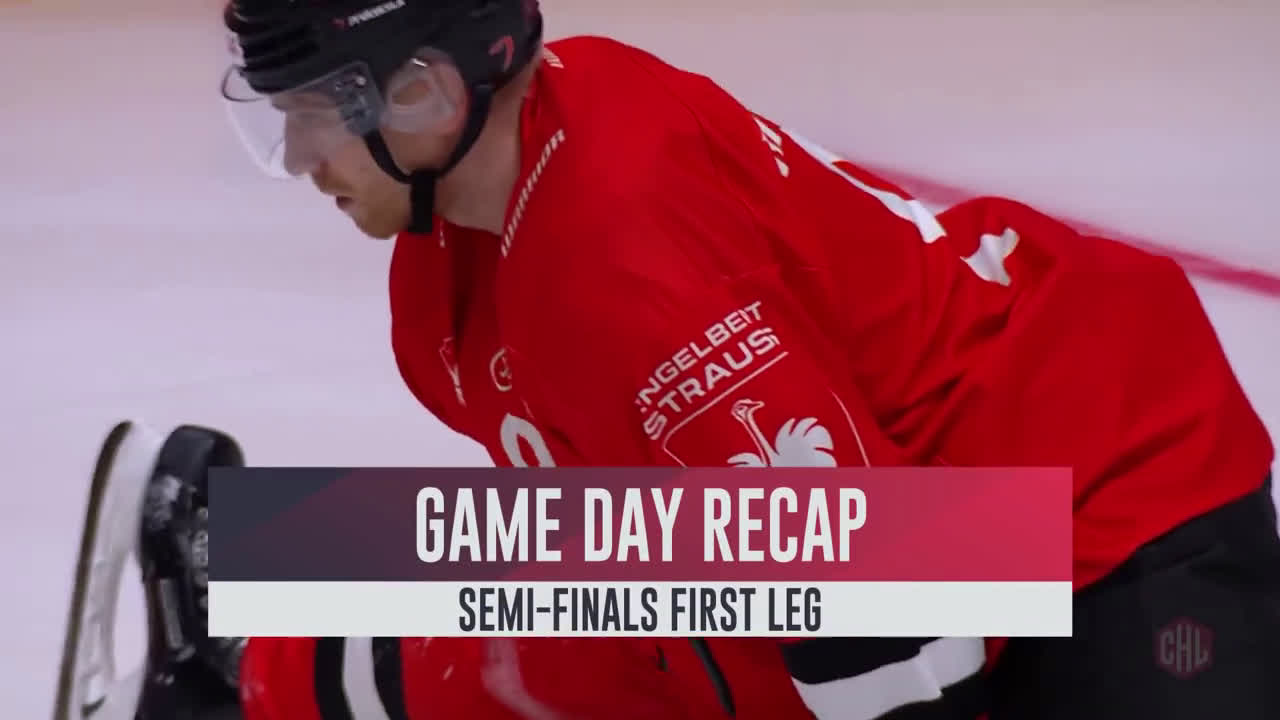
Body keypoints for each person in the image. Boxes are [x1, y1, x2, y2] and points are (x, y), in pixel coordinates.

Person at [54, 0, 1280, 718]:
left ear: (424, 95)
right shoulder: (463, 250)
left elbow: (893, 631)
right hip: (940, 518)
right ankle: (246, 603)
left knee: (647, 610)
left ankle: (249, 607)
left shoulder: (621, 257)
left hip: (1103, 509)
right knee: (604, 582)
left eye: (316, 113)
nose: (298, 158)